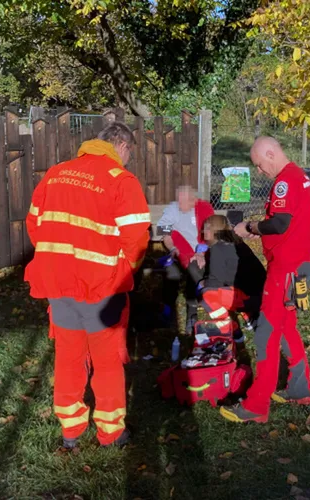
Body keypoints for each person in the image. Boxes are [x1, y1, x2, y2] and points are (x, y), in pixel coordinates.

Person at [24, 122, 151, 448]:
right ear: (122, 146)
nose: (128, 160)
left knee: (68, 356)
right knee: (107, 361)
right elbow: (136, 241)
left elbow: (34, 224)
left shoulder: (56, 173)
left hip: (56, 283)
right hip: (100, 289)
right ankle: (110, 432)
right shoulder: (121, 180)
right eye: (130, 154)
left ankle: (71, 430)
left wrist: (57, 260)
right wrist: (123, 272)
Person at [220, 136, 310, 424]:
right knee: (287, 327)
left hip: (286, 268)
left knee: (267, 333)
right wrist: (258, 231)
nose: (260, 171)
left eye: (260, 165)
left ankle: (256, 405)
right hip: (301, 264)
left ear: (271, 153)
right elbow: (288, 223)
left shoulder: (285, 181)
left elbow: (280, 222)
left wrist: (251, 225)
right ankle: (300, 388)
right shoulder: (301, 178)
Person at [190, 214, 266, 342]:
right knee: (230, 289)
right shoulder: (235, 243)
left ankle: (232, 331)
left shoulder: (217, 248)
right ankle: (250, 317)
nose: (203, 231)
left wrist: (201, 283)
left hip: (250, 298)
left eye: (207, 228)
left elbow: (215, 282)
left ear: (215, 229)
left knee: (208, 295)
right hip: (261, 295)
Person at [156, 185, 214, 332]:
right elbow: (166, 235)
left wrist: (201, 253)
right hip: (179, 252)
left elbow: (211, 235)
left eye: (183, 202)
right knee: (171, 272)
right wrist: (173, 249)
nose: (179, 205)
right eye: (178, 201)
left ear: (193, 200)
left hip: (201, 252)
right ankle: (167, 311)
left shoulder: (204, 209)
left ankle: (192, 313)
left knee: (194, 269)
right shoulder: (172, 210)